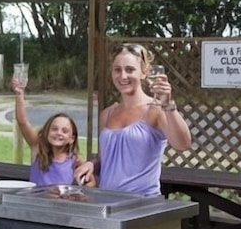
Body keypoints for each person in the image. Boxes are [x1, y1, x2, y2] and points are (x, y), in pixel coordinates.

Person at [74, 43, 192, 195]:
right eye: (117, 70)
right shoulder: (107, 114)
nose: (123, 76)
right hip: (107, 203)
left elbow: (183, 144)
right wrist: (92, 164)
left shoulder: (156, 110)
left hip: (142, 206)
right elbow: (108, 160)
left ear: (144, 72)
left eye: (130, 70)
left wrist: (168, 104)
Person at [12, 77, 92, 186]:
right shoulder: (38, 148)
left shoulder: (74, 160)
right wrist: (19, 94)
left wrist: (78, 192)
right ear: (47, 132)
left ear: (71, 139)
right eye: (54, 129)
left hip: (61, 202)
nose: (59, 133)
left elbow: (91, 182)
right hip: (35, 201)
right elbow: (22, 121)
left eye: (64, 131)